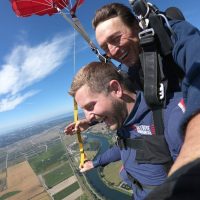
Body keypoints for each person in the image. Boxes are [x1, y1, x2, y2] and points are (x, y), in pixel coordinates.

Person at [92, 2, 200, 195]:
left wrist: (191, 158)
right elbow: (121, 101)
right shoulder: (129, 69)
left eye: (116, 38)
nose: (113, 51)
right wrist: (92, 118)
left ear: (136, 26)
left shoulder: (173, 35)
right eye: (105, 47)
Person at [65, 61, 184, 200]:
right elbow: (125, 145)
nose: (88, 116)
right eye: (84, 110)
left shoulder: (171, 117)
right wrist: (95, 162)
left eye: (90, 106)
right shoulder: (123, 118)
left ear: (116, 89)